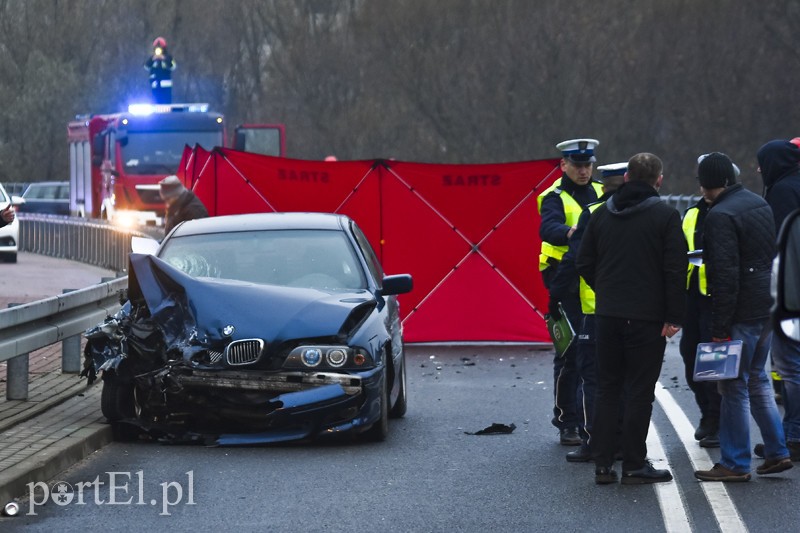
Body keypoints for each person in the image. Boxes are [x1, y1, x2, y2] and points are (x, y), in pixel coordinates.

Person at [576, 152, 686, 485]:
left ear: (626, 178)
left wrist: (607, 291)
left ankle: (602, 464)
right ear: (659, 180)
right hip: (646, 319)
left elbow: (583, 263)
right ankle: (635, 464)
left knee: (607, 389)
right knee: (639, 391)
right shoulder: (665, 217)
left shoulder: (602, 216)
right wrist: (672, 316)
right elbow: (675, 269)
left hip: (607, 315)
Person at [691, 152, 792, 481]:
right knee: (758, 380)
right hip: (766, 304)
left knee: (732, 387)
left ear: (708, 184)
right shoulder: (756, 203)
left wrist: (719, 328)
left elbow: (725, 276)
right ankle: (777, 452)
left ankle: (734, 463)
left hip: (741, 310)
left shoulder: (719, 216)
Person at [550, 162, 626, 462]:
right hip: (639, 311)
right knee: (628, 379)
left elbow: (578, 260)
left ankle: (594, 440)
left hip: (595, 310)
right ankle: (627, 445)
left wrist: (555, 296)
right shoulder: (657, 212)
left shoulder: (593, 213)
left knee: (592, 377)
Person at [538, 138, 604, 446]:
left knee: (595, 354)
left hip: (594, 279)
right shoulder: (553, 196)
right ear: (564, 165)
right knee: (570, 353)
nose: (583, 171)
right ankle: (567, 420)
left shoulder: (602, 191)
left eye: (587, 165)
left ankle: (594, 421)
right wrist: (573, 233)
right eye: (577, 166)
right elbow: (548, 228)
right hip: (562, 279)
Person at [678, 154, 734, 449]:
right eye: (701, 182)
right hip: (692, 299)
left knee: (714, 364)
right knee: (691, 359)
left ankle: (715, 420)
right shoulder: (690, 214)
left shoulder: (731, 212)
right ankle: (705, 413)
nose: (703, 189)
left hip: (717, 299)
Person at [751, 139, 800, 462]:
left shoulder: (783, 191)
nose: (758, 170)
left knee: (790, 365)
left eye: (762, 163)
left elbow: (776, 242)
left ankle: (793, 435)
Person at [144, 37, 176, 104]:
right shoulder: (152, 58)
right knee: (156, 103)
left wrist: (164, 59)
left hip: (166, 86)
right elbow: (146, 66)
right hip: (155, 85)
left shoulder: (168, 57)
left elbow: (173, 66)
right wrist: (152, 60)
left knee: (166, 104)